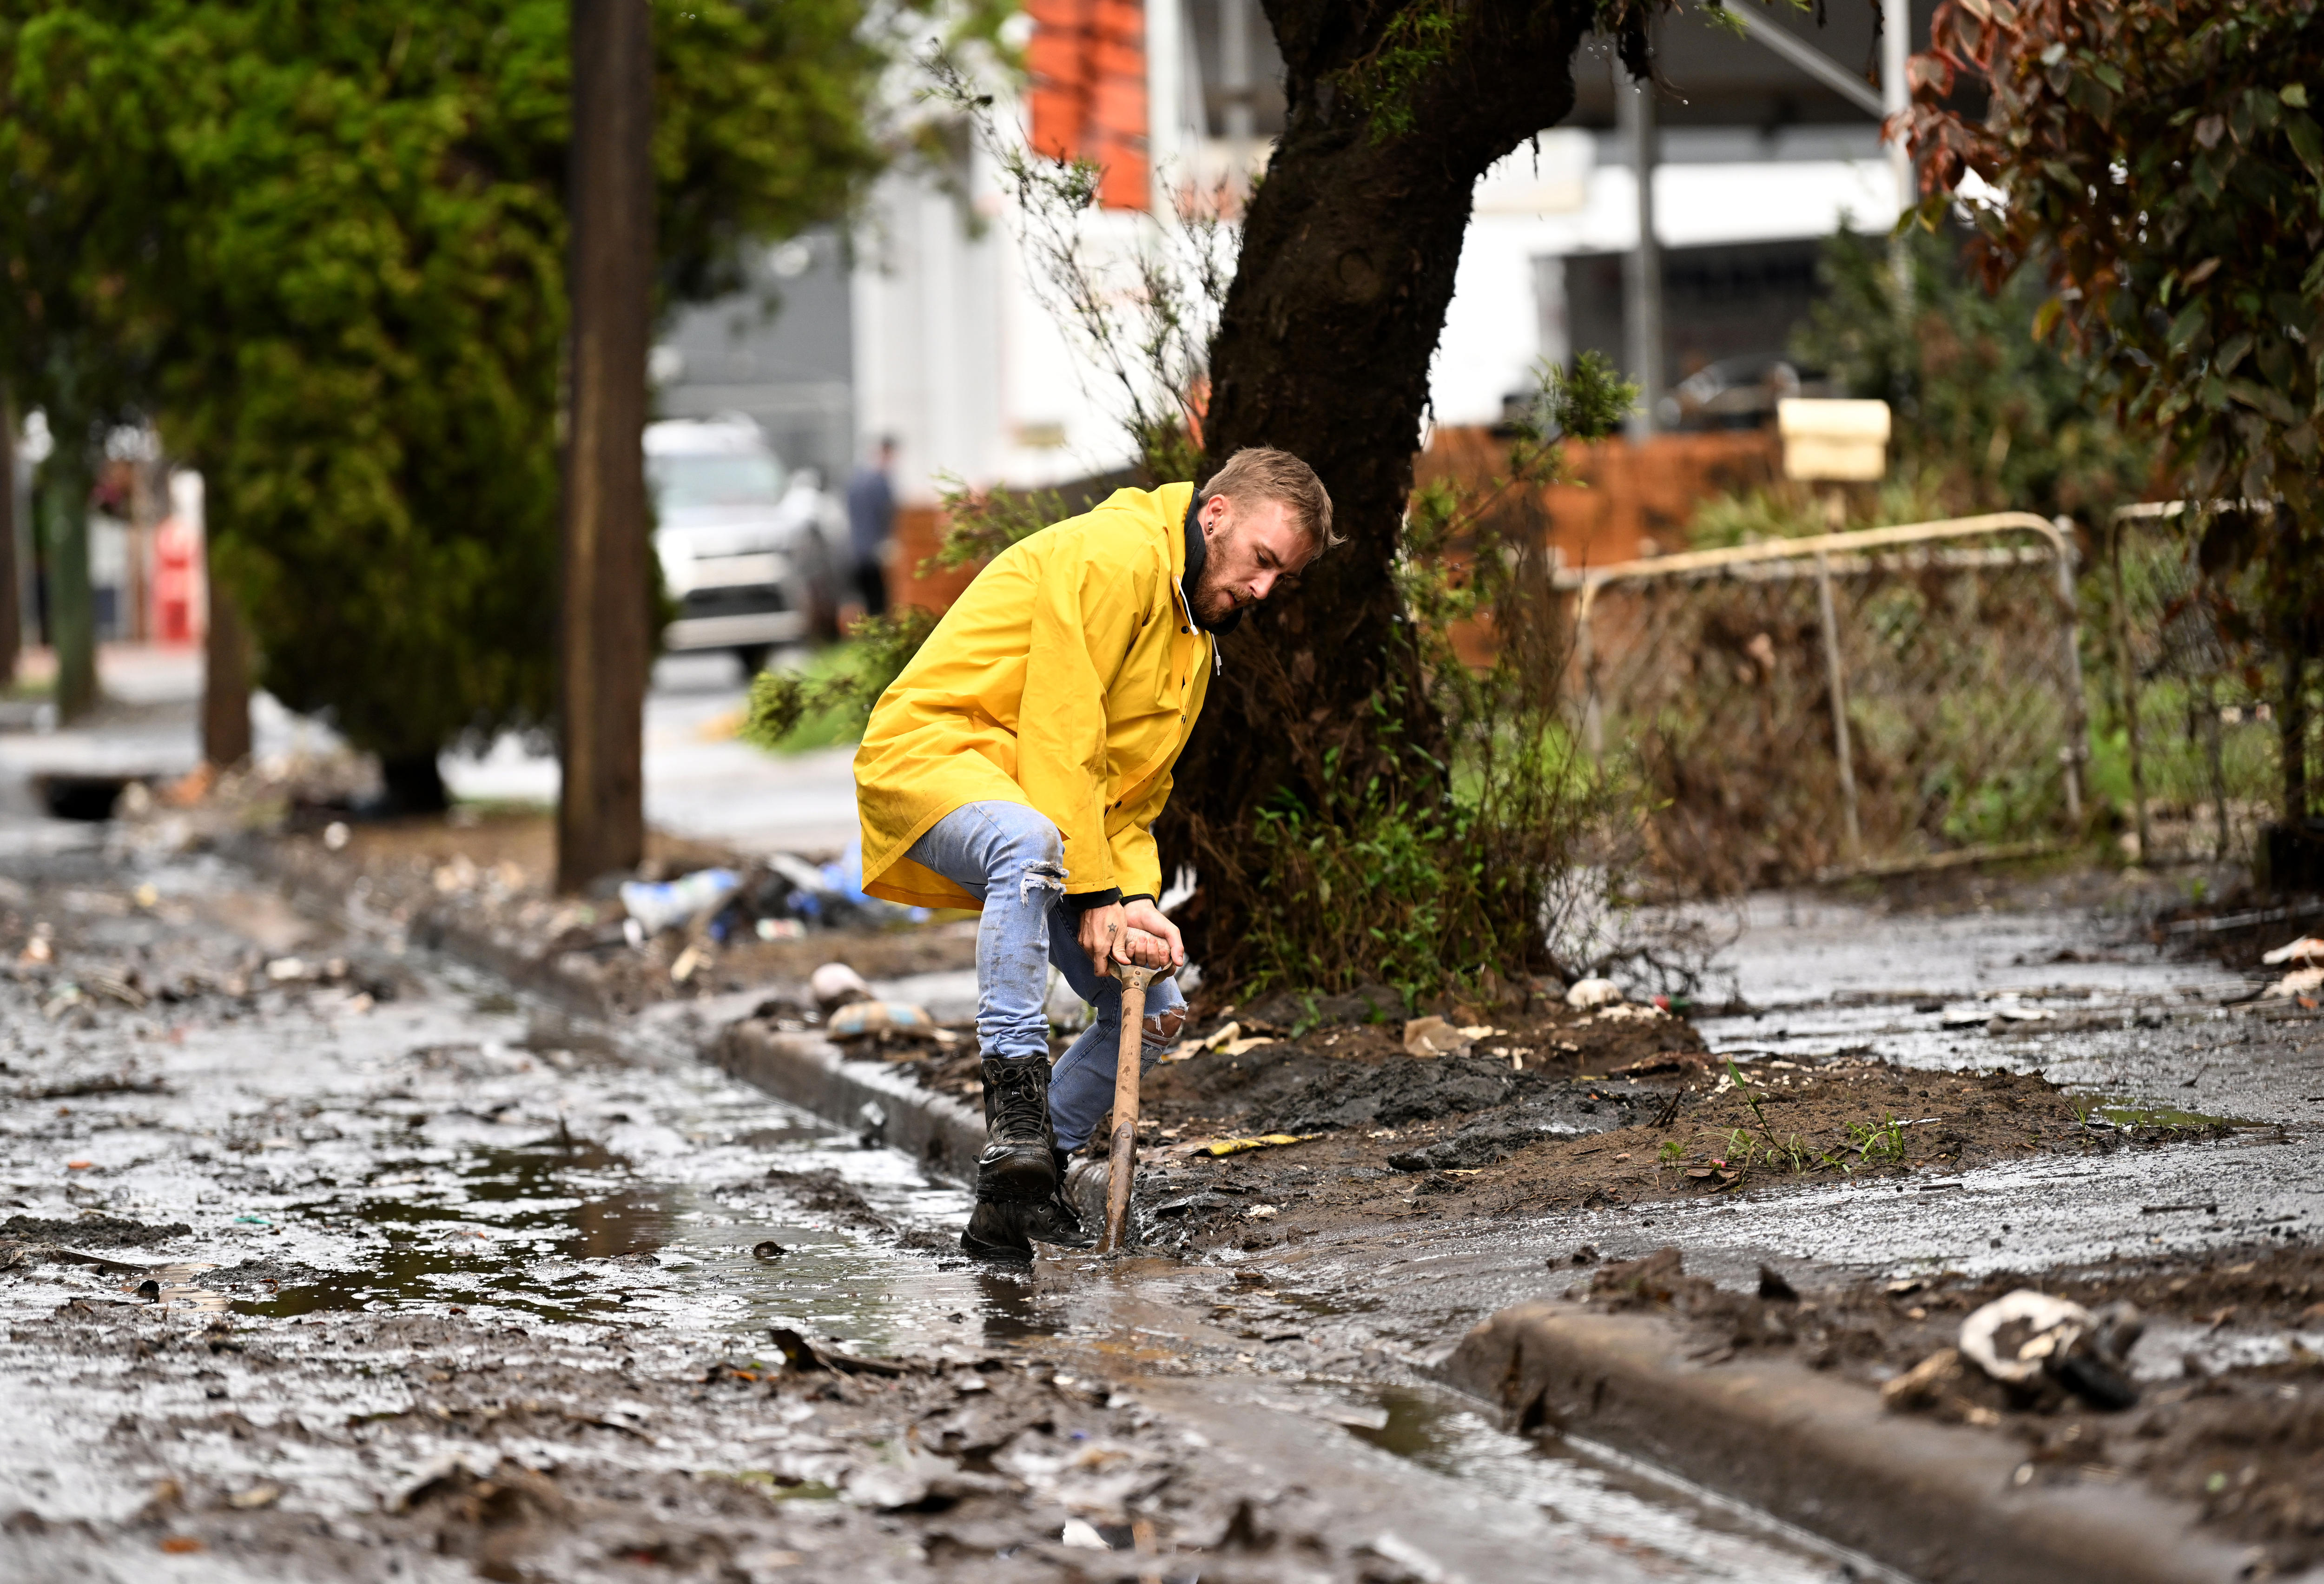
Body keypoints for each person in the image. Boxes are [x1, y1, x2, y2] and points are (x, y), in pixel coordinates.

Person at [852, 448, 1337, 1261]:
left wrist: (1137, 900)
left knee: (1156, 1007)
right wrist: (1094, 895)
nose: (1262, 590)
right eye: (1261, 562)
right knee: (1031, 840)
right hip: (935, 759)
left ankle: (1020, 1190)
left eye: (1279, 578)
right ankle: (1013, 1111)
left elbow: (1128, 794)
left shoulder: (1192, 636)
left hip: (1034, 803)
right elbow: (1061, 732)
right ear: (1214, 515)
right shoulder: (1117, 556)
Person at [844, 436, 898, 617]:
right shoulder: (879, 482)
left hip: (857, 550)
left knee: (868, 600)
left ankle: (872, 638)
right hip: (875, 550)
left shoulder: (856, 480)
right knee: (879, 601)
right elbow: (888, 515)